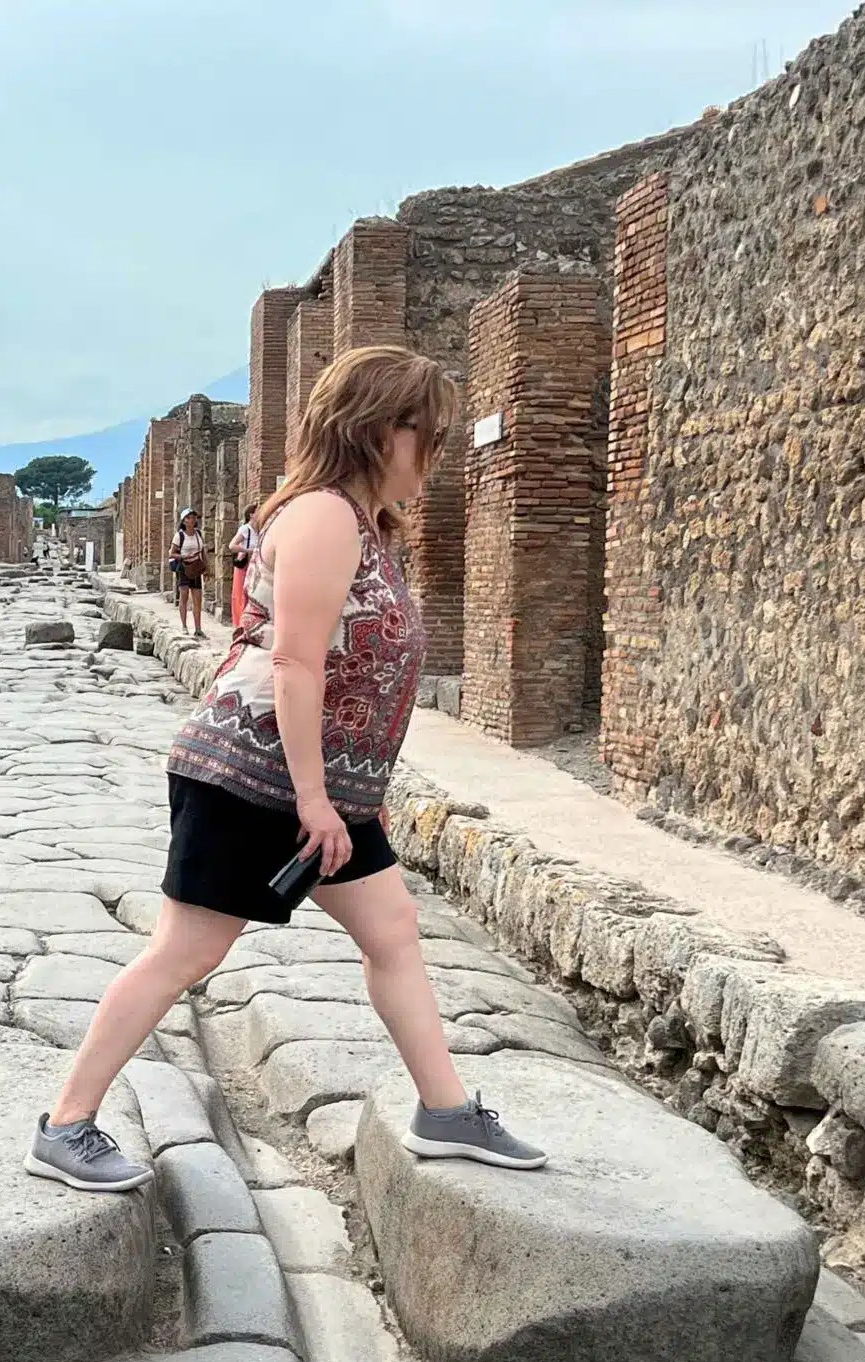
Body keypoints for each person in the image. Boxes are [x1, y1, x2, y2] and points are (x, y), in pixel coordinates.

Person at [27, 345, 546, 1191]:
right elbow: (297, 664)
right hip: (253, 778)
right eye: (430, 434)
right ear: (378, 430)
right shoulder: (323, 518)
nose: (438, 453)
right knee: (185, 953)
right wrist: (314, 800)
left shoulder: (367, 526)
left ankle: (446, 1111)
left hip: (322, 788)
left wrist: (346, 797)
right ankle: (65, 1123)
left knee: (393, 931)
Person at [170, 508, 207, 639]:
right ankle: (184, 626)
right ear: (184, 521)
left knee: (197, 598)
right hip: (184, 568)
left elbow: (202, 551)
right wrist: (184, 556)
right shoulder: (179, 536)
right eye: (189, 517)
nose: (192, 520)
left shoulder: (198, 534)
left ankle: (198, 628)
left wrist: (206, 566)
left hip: (196, 567)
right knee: (184, 596)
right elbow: (172, 553)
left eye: (194, 517)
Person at [227, 504, 257, 631]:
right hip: (245, 564)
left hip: (255, 565)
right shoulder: (246, 529)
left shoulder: (259, 530)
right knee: (242, 594)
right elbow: (232, 545)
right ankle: (240, 624)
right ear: (251, 514)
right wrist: (247, 550)